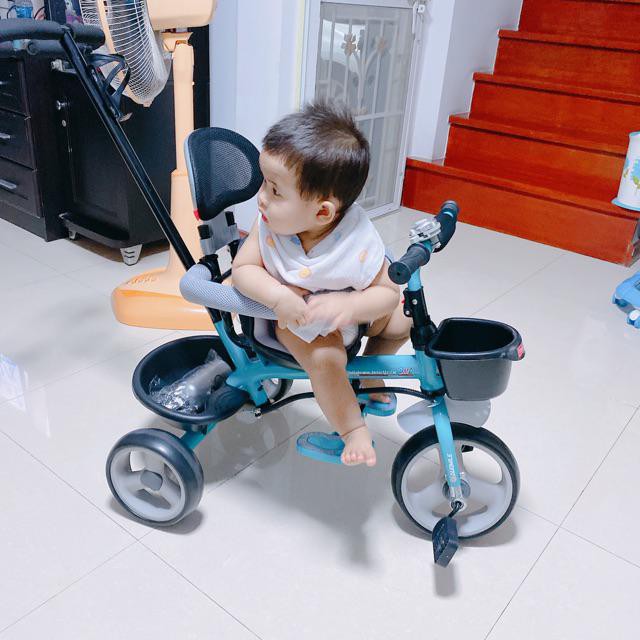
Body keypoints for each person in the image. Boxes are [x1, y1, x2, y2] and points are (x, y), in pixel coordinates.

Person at [232, 101, 411, 466]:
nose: (261, 198)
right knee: (327, 360)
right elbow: (242, 270)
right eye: (264, 183)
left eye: (275, 190)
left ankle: (371, 373)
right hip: (300, 322)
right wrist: (278, 296)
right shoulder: (269, 226)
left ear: (323, 212)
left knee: (404, 320)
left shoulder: (355, 236)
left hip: (353, 315)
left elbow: (387, 294)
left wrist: (352, 306)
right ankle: (352, 429)